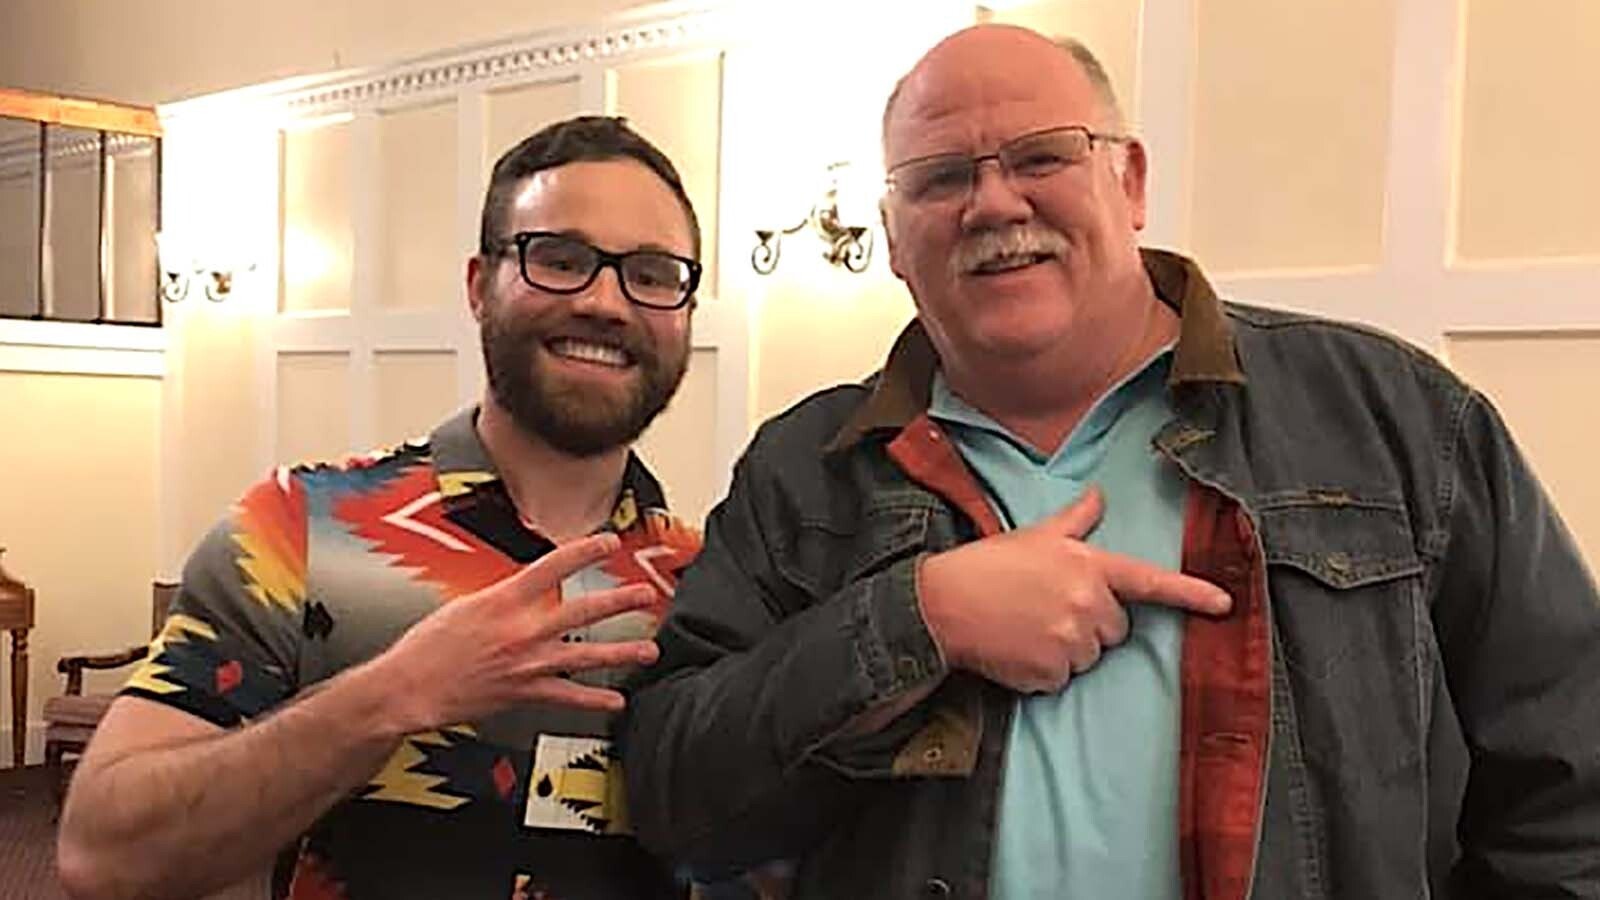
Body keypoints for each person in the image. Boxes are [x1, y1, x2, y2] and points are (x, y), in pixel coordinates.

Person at [622, 25, 1600, 899]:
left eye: (1041, 156)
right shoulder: (803, 470)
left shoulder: (1393, 418)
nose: (993, 202)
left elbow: (1569, 791)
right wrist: (917, 621)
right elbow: (679, 803)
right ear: (887, 236)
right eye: (939, 177)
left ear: (1129, 182)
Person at [58, 115, 707, 900]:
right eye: (560, 260)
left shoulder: (711, 582)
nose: (607, 301)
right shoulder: (296, 529)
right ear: (479, 286)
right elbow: (104, 854)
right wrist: (389, 697)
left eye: (652, 273)